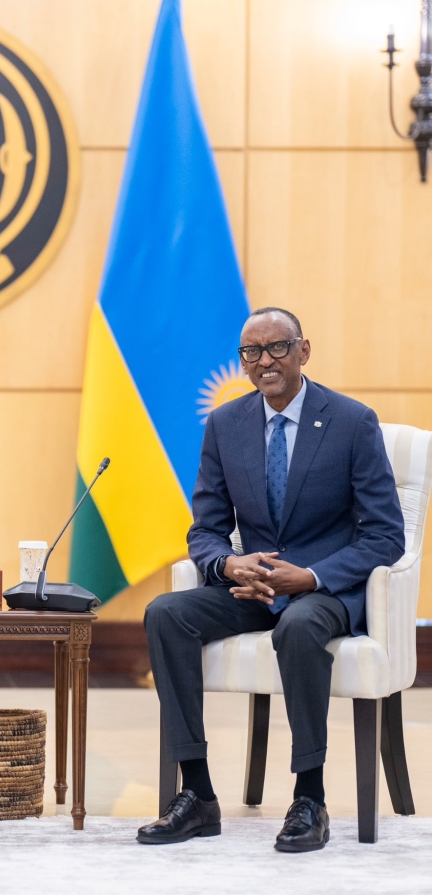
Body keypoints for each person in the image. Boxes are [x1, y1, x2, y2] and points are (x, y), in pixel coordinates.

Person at [138, 307, 404, 852]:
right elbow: (206, 529)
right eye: (251, 352)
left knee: (300, 627)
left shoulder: (353, 422)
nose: (265, 362)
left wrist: (309, 576)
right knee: (165, 613)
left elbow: (385, 536)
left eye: (277, 348)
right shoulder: (225, 424)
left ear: (304, 350)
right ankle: (199, 795)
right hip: (251, 586)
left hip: (321, 589)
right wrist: (226, 564)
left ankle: (310, 798)